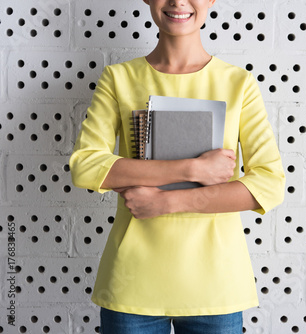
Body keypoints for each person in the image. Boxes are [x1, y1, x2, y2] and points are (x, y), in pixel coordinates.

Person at [69, 0, 285, 333]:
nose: (178, 1)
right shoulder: (118, 78)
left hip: (216, 287)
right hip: (133, 283)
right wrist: (190, 170)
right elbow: (86, 165)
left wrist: (167, 202)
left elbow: (269, 184)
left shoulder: (239, 84)